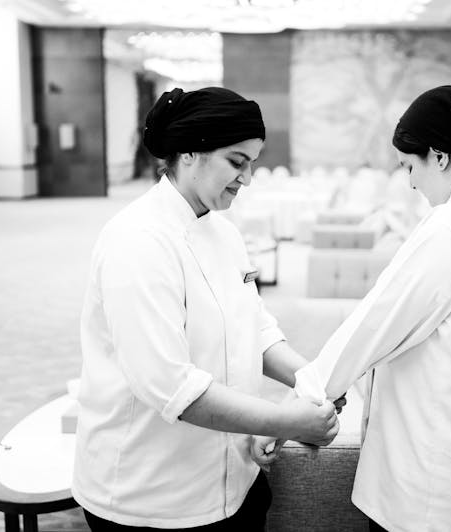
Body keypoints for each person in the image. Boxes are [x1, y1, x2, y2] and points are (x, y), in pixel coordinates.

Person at [252, 85, 451, 532]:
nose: (410, 182)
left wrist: (291, 410)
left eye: (410, 166)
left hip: (442, 486)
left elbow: (373, 326)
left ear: (440, 156)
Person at [72, 86, 341, 531]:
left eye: (252, 163)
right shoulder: (138, 242)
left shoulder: (223, 231)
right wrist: (287, 420)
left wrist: (314, 379)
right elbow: (169, 385)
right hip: (153, 496)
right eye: (237, 162)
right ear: (190, 153)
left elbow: (257, 330)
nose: (248, 178)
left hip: (236, 479)